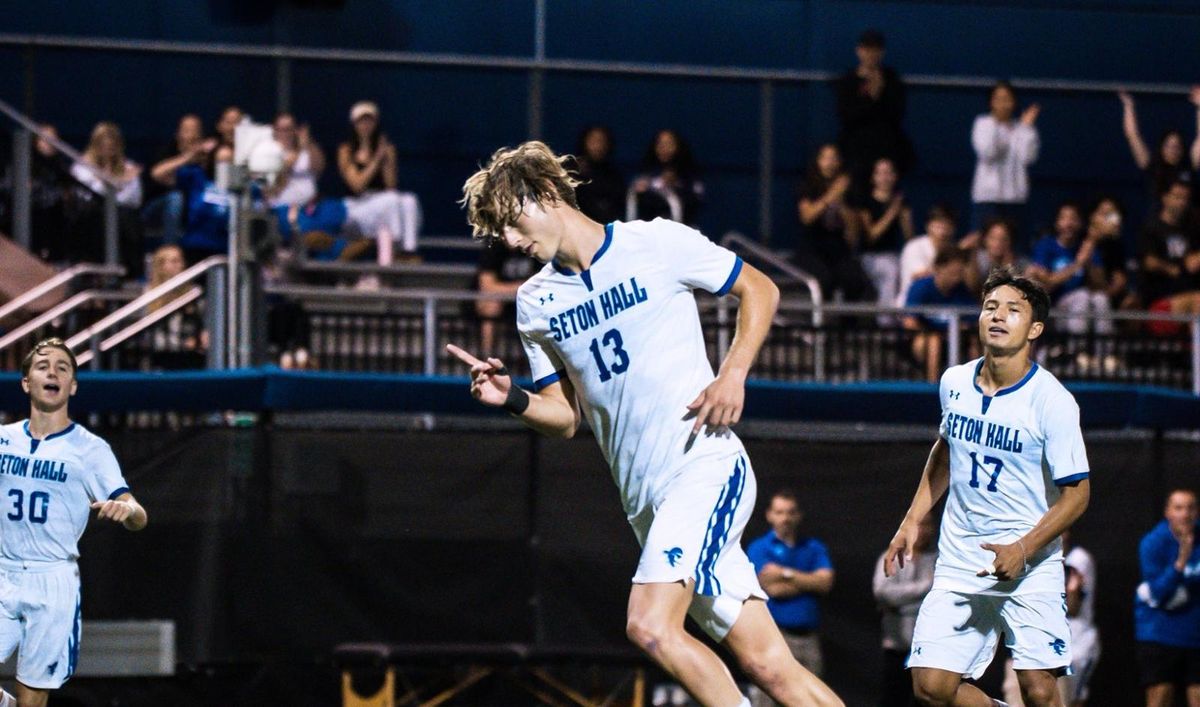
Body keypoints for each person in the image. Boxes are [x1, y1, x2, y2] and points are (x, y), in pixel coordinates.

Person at [450, 141, 842, 707]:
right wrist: (513, 398)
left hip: (703, 467)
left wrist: (733, 375)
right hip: (647, 503)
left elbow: (761, 286)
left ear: (545, 195)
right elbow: (563, 420)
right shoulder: (535, 303)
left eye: (511, 223)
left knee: (650, 625)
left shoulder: (655, 242)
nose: (510, 242)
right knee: (770, 666)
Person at [883, 267, 1091, 707]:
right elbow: (946, 450)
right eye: (990, 307)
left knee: (1038, 691)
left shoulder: (1052, 402)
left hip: (1029, 564)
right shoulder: (953, 382)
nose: (998, 316)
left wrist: (1023, 548)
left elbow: (1078, 494)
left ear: (1034, 328)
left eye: (1013, 310)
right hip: (961, 559)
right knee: (930, 687)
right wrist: (910, 519)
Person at [0, 338, 148, 707]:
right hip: (2, 572)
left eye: (63, 367)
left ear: (73, 386)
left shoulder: (90, 449)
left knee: (32, 696)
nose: (53, 371)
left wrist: (128, 511)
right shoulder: (3, 439)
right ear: (25, 382)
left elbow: (136, 512)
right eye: (43, 365)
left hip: (52, 580)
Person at [746, 489, 835, 692]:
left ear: (798, 515)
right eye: (779, 512)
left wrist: (784, 573)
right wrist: (808, 581)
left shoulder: (813, 547)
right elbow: (771, 588)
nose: (785, 518)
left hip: (808, 638)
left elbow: (825, 583)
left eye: (790, 512)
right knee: (768, 696)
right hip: (774, 636)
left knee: (810, 696)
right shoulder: (759, 547)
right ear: (770, 515)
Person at [1001, 530, 1100, 707]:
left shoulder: (1076, 562)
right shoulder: (1023, 560)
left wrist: (1070, 591)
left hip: (1061, 645)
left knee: (1062, 696)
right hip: (1024, 644)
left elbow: (1073, 607)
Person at [1136, 488, 1200, 707]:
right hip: (1160, 635)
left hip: (1194, 635)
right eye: (1179, 508)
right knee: (1160, 696)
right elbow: (1158, 594)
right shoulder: (1152, 543)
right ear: (1168, 512)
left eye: (1191, 508)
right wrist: (1181, 561)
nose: (1185, 514)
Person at [336, 100, 423, 263]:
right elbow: (357, 186)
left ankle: (408, 249)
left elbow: (391, 185)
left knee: (409, 200)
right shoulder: (346, 150)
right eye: (362, 121)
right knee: (391, 200)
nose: (366, 125)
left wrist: (385, 158)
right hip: (356, 206)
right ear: (354, 124)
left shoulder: (387, 149)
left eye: (369, 121)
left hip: (382, 204)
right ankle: (395, 247)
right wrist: (376, 159)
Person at [873, 514, 938, 707]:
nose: (922, 531)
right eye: (918, 525)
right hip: (897, 646)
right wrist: (926, 587)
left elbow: (938, 600)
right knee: (893, 700)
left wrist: (900, 607)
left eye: (927, 525)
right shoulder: (892, 557)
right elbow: (883, 593)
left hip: (929, 650)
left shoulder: (938, 560)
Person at [795, 143, 872, 302]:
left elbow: (854, 232)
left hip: (839, 247)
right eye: (825, 158)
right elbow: (807, 217)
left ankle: (848, 324)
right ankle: (821, 324)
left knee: (854, 280)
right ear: (818, 161)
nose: (830, 163)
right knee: (823, 280)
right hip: (813, 247)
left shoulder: (849, 190)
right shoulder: (809, 185)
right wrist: (831, 195)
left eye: (834, 158)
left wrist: (842, 202)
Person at [834, 29, 913, 181]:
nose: (871, 54)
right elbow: (846, 115)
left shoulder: (891, 79)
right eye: (867, 49)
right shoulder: (848, 81)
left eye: (875, 49)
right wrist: (871, 98)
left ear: (882, 52)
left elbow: (897, 113)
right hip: (856, 150)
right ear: (859, 51)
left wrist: (880, 92)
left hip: (886, 148)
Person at [971, 82, 1040, 249]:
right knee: (983, 247)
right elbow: (988, 152)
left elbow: (1028, 158)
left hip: (1015, 199)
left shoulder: (1022, 127)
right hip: (988, 198)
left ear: (1014, 102)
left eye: (1007, 99)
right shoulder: (983, 123)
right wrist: (997, 124)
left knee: (1016, 248)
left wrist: (1027, 128)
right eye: (998, 99)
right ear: (991, 102)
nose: (1002, 104)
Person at [1027, 202, 1111, 337]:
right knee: (1081, 297)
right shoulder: (1046, 245)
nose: (1068, 224)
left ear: (1080, 223)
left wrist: (1088, 261)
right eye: (1064, 219)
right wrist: (1078, 264)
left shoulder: (1085, 247)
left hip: (1084, 305)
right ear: (1057, 223)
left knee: (1101, 299)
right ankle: (1077, 351)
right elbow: (1048, 283)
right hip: (1054, 306)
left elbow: (1101, 286)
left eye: (1073, 219)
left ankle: (1106, 354)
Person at [1118, 89, 1200, 213]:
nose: (1173, 150)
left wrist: (1199, 106)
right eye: (1169, 146)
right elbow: (1133, 135)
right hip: (1159, 225)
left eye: (1177, 147)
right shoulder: (1152, 166)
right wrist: (1128, 105)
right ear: (1161, 148)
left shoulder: (1189, 166)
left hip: (1188, 225)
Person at [903, 247, 975, 384]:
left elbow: (972, 321)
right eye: (953, 273)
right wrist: (935, 333)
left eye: (960, 273)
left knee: (974, 340)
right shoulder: (920, 287)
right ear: (939, 268)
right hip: (922, 341)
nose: (957, 278)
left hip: (953, 340)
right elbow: (909, 322)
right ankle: (933, 387)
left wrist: (962, 328)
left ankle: (974, 386)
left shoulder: (962, 290)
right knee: (934, 341)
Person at [1138, 180, 1200, 336]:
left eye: (1185, 198)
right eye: (1177, 197)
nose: (1181, 202)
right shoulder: (1152, 228)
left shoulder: (1191, 230)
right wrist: (1173, 269)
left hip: (1188, 297)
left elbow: (1194, 261)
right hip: (1160, 304)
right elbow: (1149, 262)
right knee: (1198, 300)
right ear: (1165, 198)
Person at [857, 157, 914, 319]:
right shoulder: (866, 201)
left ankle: (906, 319)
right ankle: (886, 323)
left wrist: (903, 215)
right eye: (880, 173)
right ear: (873, 177)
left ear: (895, 176)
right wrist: (892, 211)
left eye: (889, 173)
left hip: (894, 254)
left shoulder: (901, 202)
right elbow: (872, 235)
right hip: (870, 256)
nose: (885, 177)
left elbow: (909, 237)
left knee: (906, 270)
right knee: (890, 271)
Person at [146, 114, 212, 246]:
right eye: (187, 131)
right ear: (178, 134)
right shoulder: (168, 151)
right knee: (175, 198)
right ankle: (170, 249)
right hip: (158, 209)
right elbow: (156, 174)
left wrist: (205, 158)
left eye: (196, 131)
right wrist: (188, 157)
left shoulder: (207, 158)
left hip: (192, 211)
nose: (192, 135)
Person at [474, 240, 539, 354]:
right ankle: (487, 358)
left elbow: (541, 284)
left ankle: (539, 363)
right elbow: (488, 287)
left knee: (542, 305)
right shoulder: (493, 247)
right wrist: (522, 287)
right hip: (501, 301)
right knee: (491, 305)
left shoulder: (532, 247)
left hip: (524, 301)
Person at [632, 129, 704, 226]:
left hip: (682, 229)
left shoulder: (689, 176)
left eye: (669, 144)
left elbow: (694, 202)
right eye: (660, 144)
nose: (664, 148)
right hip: (652, 229)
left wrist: (675, 187)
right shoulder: (646, 174)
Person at [898, 205, 957, 306]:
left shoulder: (954, 249)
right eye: (938, 222)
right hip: (911, 306)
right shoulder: (914, 246)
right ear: (928, 225)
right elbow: (920, 276)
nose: (943, 228)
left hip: (941, 307)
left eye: (947, 223)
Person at [267, 112, 326, 209]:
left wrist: (307, 143)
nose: (285, 134)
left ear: (295, 130)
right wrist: (286, 168)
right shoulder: (268, 153)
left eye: (288, 129)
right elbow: (271, 193)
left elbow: (319, 168)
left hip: (309, 207)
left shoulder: (307, 149)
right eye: (281, 130)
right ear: (274, 131)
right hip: (280, 208)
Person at [573, 125, 626, 225]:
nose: (597, 146)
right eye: (593, 141)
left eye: (601, 141)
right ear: (585, 143)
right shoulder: (573, 174)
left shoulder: (614, 175)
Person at [965, 218, 1028, 297]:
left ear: (1011, 241)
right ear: (985, 239)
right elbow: (973, 286)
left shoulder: (1021, 263)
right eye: (992, 238)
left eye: (1004, 239)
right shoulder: (978, 258)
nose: (998, 243)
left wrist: (1008, 267)